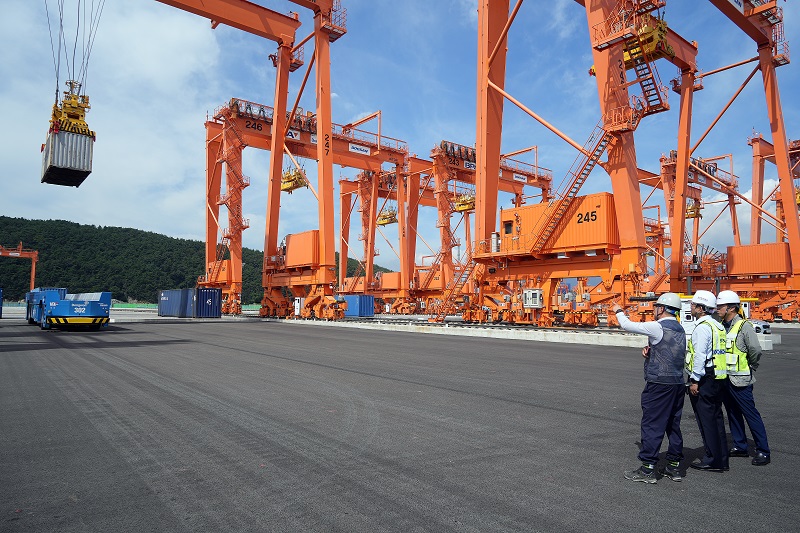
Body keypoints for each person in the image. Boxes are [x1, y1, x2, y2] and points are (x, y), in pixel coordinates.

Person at [612, 293, 687, 484]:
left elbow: (627, 325)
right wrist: (652, 354)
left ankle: (648, 468)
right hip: (677, 382)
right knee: (673, 425)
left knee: (652, 424)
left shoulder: (657, 326)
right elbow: (671, 352)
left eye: (656, 307)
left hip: (659, 384)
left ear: (662, 309)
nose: (654, 310)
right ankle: (673, 466)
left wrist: (618, 311)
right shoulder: (680, 328)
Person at [716, 290, 771, 466]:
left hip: (741, 380)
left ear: (731, 308)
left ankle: (763, 451)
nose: (717, 309)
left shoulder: (744, 326)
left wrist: (751, 365)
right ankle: (740, 446)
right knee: (732, 413)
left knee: (750, 414)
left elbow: (755, 350)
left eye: (720, 306)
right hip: (725, 379)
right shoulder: (721, 326)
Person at [686, 290, 729, 472]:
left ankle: (712, 460)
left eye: (693, 304)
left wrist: (695, 380)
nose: (691, 306)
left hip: (704, 378)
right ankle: (721, 458)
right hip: (717, 376)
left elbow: (700, 355)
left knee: (707, 421)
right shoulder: (717, 325)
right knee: (716, 419)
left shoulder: (702, 327)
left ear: (701, 308)